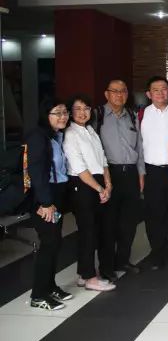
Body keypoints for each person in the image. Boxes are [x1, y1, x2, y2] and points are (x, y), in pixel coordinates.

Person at [64, 94, 116, 291]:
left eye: (86, 108)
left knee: (96, 230)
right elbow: (80, 168)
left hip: (98, 182)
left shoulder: (90, 130)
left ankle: (82, 273)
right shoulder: (71, 134)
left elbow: (103, 160)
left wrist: (108, 184)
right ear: (70, 112)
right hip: (83, 185)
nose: (82, 113)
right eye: (77, 109)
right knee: (88, 232)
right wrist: (100, 188)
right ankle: (89, 278)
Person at [27, 99, 73, 310]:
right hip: (44, 197)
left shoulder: (56, 135)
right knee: (49, 242)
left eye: (65, 112)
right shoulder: (38, 137)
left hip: (57, 193)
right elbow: (36, 171)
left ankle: (50, 286)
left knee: (55, 242)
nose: (63, 116)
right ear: (46, 115)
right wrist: (45, 202)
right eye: (57, 113)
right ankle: (38, 295)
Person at [95, 79, 144, 275]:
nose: (119, 95)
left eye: (123, 91)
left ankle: (123, 261)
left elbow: (139, 147)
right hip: (109, 174)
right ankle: (106, 267)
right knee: (108, 223)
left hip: (130, 174)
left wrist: (141, 174)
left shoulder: (132, 116)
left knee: (129, 223)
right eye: (114, 91)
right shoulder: (97, 115)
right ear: (106, 94)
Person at [140, 76, 168, 270]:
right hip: (152, 171)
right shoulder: (141, 114)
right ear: (149, 94)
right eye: (155, 90)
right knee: (154, 214)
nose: (160, 93)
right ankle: (157, 252)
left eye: (164, 89)